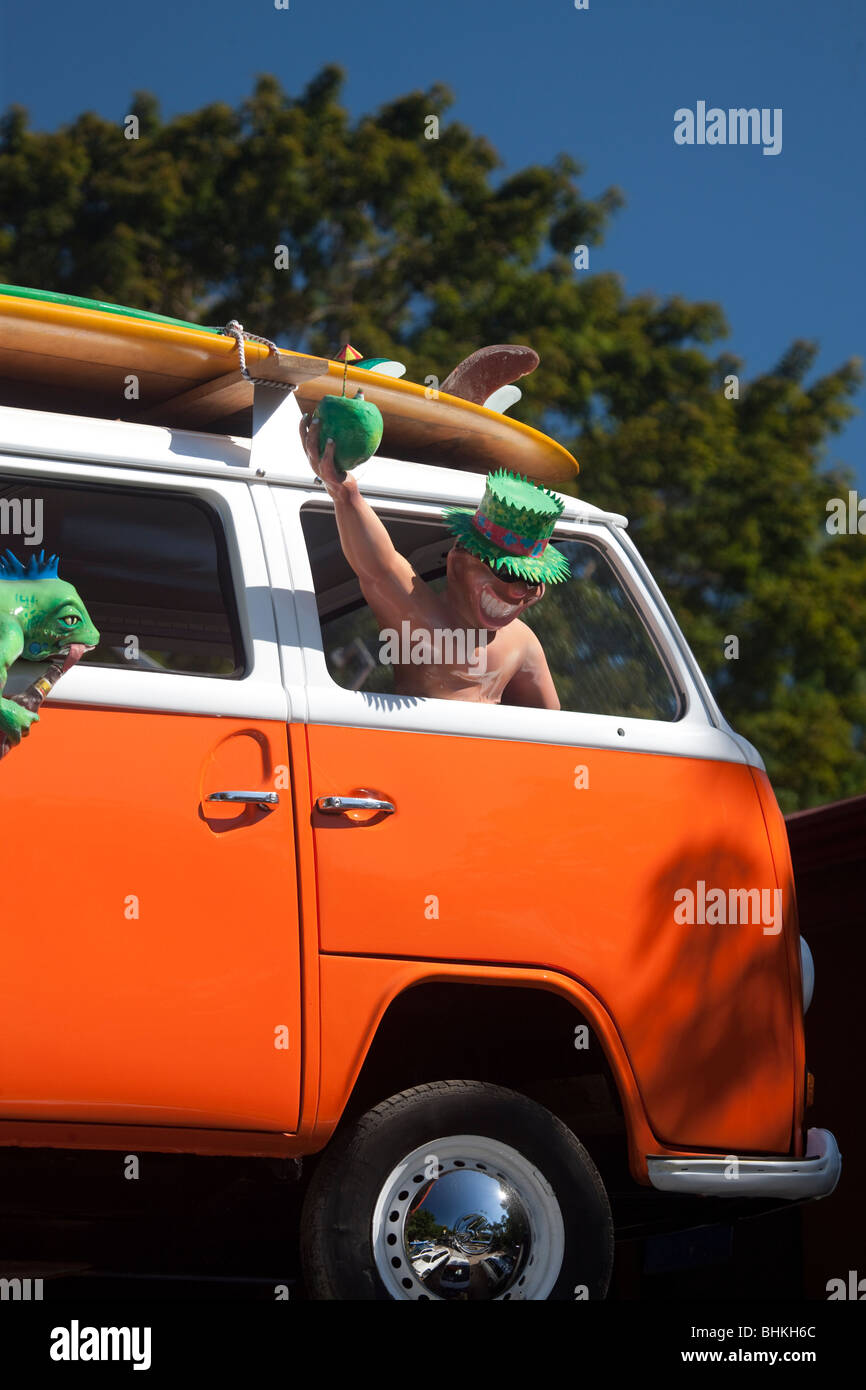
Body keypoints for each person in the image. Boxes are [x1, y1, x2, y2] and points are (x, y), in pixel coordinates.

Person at [300, 414, 571, 709]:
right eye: (505, 571)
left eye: (531, 580)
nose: (519, 591)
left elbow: (550, 727)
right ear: (457, 562)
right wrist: (345, 494)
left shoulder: (522, 643)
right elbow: (380, 567)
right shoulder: (423, 621)